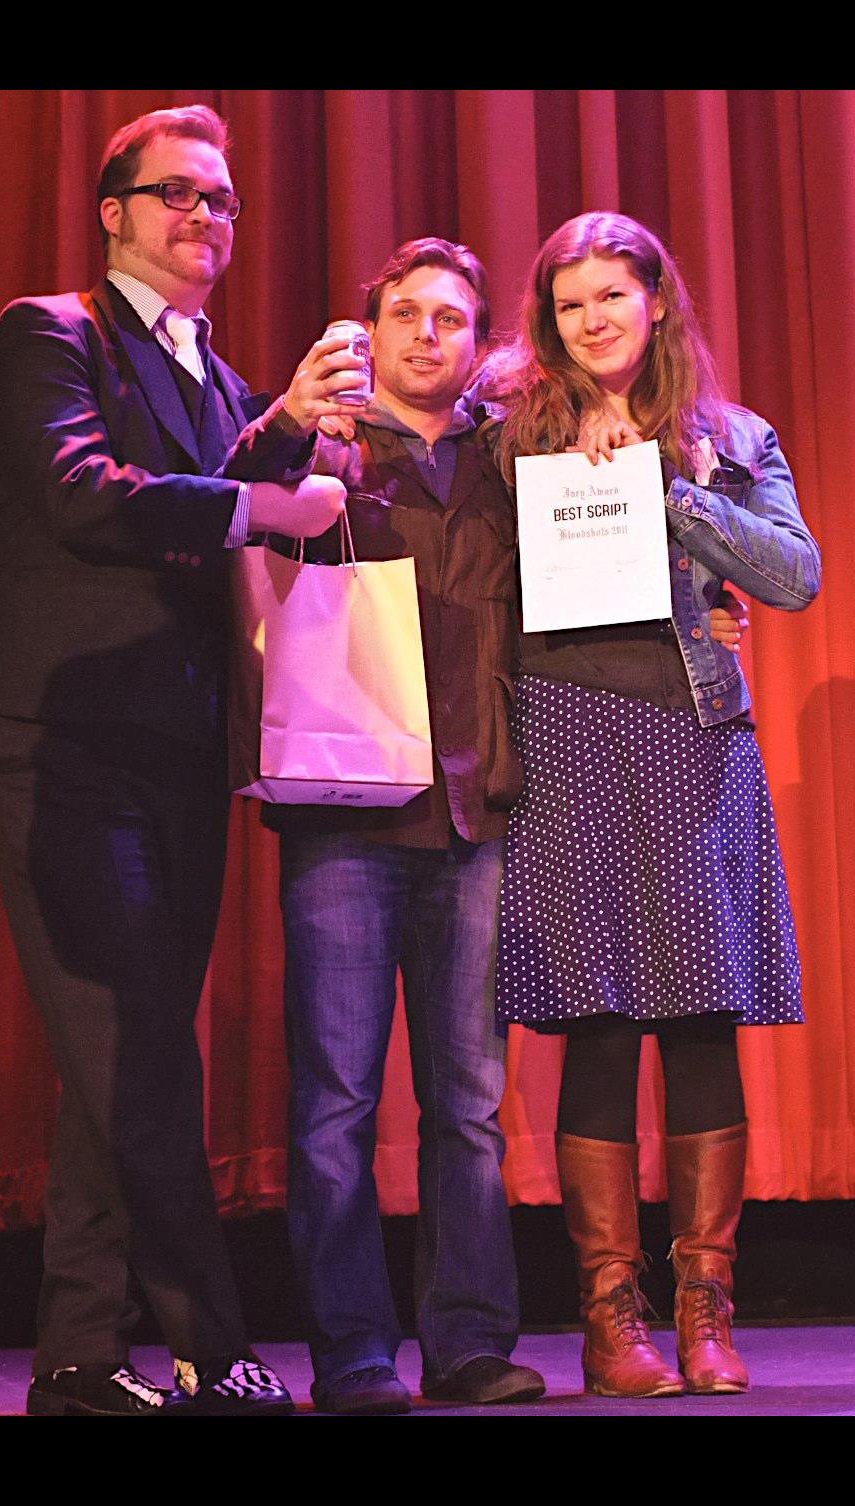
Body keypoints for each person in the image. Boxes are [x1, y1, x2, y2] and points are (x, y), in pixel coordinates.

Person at [0, 104, 353, 1418]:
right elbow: (85, 492)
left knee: (118, 1051)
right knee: (137, 1046)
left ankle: (77, 1356)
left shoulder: (216, 374)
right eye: (177, 194)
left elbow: (231, 486)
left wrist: (287, 426)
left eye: (223, 201)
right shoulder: (47, 334)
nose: (205, 218)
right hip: (59, 732)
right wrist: (261, 493)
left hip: (179, 742)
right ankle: (213, 1348)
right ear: (113, 210)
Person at [486, 211, 822, 1398]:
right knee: (595, 1020)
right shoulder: (505, 427)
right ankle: (606, 1315)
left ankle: (704, 1310)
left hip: (693, 739)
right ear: (547, 321)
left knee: (695, 1018)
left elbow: (791, 576)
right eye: (570, 304)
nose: (592, 321)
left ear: (656, 303)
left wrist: (673, 490)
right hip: (568, 730)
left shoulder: (728, 439)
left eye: (611, 299)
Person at [235, 238, 546, 1414]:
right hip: (343, 821)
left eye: (452, 318)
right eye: (405, 314)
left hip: (475, 813)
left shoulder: (512, 456)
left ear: (477, 339)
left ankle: (468, 1345)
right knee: (335, 1106)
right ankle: (353, 1355)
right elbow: (224, 500)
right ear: (369, 330)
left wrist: (705, 609)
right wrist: (284, 427)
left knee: (466, 1107)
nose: (428, 335)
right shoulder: (322, 445)